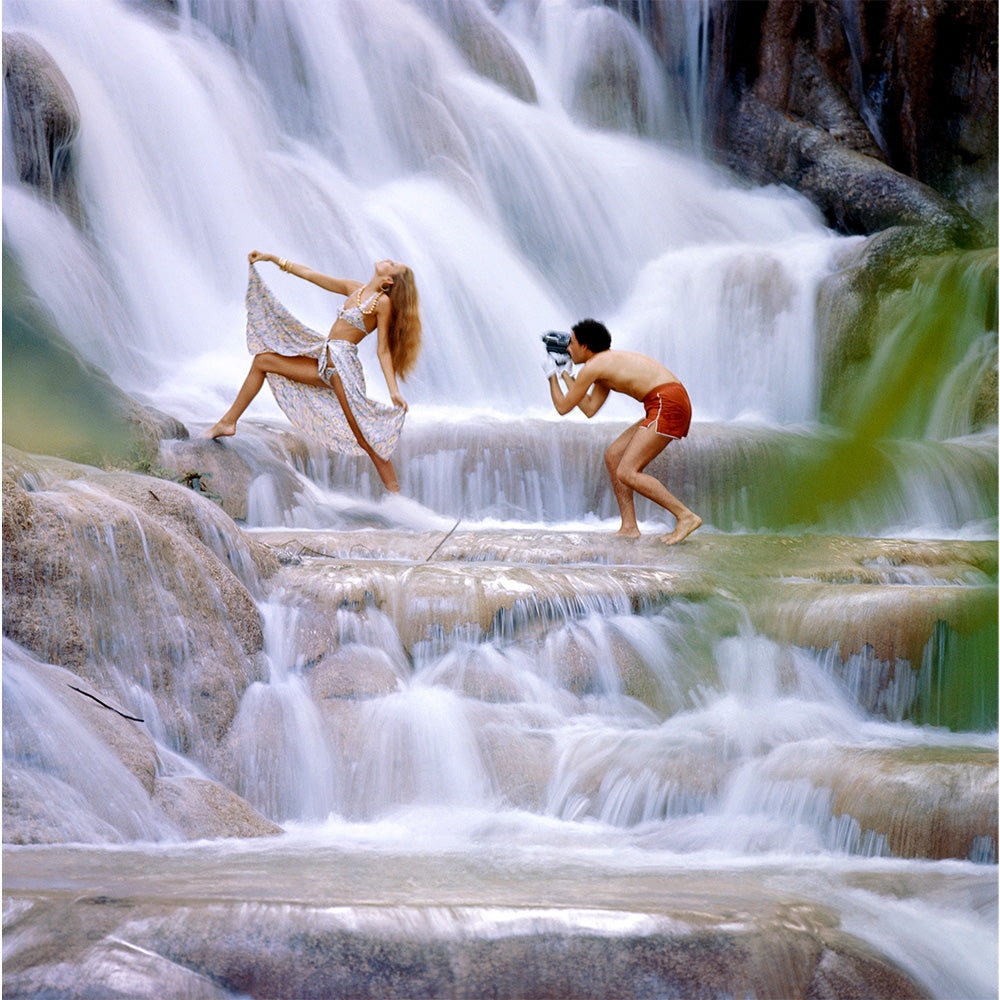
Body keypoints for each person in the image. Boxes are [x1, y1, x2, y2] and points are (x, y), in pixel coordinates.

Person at [206, 251, 421, 493]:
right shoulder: (355, 288)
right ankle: (227, 422)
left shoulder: (382, 303)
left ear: (390, 281)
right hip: (324, 362)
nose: (387, 259)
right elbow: (311, 275)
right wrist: (271, 259)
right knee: (262, 361)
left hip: (343, 370)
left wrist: (394, 392)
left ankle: (396, 496)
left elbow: (383, 351)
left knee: (364, 438)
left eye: (392, 264)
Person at [547, 318, 701, 544]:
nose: (567, 349)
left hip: (666, 403)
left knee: (627, 471)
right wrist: (564, 374)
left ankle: (685, 516)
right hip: (664, 401)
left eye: (571, 343)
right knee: (614, 456)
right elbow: (589, 408)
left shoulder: (594, 366)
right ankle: (629, 526)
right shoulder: (603, 364)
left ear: (585, 347)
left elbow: (562, 407)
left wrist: (551, 375)